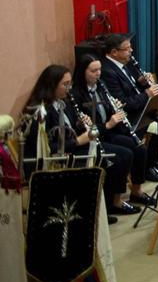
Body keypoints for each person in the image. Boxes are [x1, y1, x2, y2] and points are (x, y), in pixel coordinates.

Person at [23, 64, 138, 222]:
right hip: (55, 159)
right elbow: (47, 147)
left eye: (69, 84)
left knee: (125, 154)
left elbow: (68, 128)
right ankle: (93, 211)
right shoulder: (41, 112)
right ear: (51, 85)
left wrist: (81, 124)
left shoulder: (63, 102)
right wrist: (78, 140)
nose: (69, 88)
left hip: (72, 148)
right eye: (65, 84)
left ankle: (109, 204)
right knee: (106, 160)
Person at [73, 55, 155, 208]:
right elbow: (86, 126)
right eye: (93, 71)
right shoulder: (76, 94)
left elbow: (106, 111)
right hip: (95, 137)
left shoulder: (100, 85)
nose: (98, 74)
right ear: (82, 72)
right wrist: (110, 123)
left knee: (140, 148)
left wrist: (114, 107)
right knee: (124, 155)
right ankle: (115, 201)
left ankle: (136, 191)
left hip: (108, 132)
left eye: (99, 70)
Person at [101, 33, 158, 118]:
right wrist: (147, 94)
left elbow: (132, 88)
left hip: (142, 110)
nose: (131, 50)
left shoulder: (125, 61)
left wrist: (142, 82)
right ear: (114, 52)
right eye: (127, 48)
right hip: (130, 118)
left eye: (130, 47)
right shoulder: (107, 72)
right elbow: (122, 104)